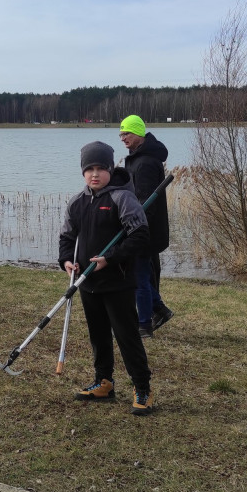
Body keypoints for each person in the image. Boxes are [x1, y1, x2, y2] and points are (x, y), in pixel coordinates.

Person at [59, 140, 154, 415]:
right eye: (90, 169)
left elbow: (140, 236)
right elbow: (66, 236)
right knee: (98, 335)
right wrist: (66, 260)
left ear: (111, 169)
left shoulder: (122, 198)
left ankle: (142, 389)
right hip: (88, 283)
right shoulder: (77, 202)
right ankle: (104, 382)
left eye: (101, 168)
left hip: (118, 282)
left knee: (126, 336)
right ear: (83, 173)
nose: (95, 174)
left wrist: (110, 259)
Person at [119, 115, 173, 338]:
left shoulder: (147, 162)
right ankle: (159, 309)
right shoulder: (136, 157)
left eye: (127, 133)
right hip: (140, 227)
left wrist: (134, 228)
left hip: (145, 229)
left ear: (139, 133)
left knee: (139, 277)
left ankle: (144, 326)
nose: (123, 138)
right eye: (121, 134)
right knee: (138, 274)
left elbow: (144, 203)